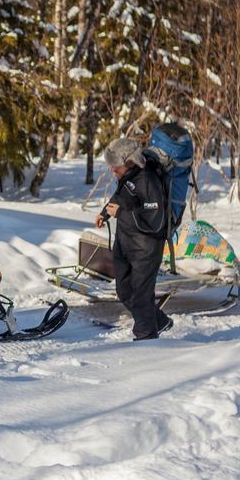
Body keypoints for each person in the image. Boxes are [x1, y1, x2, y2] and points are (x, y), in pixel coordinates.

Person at [94, 137, 174, 340]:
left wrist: (121, 213)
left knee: (140, 296)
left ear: (131, 161)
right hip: (125, 242)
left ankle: (146, 339)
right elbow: (120, 198)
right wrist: (105, 212)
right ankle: (160, 321)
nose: (113, 170)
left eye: (116, 166)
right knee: (124, 291)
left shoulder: (148, 180)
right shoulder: (128, 177)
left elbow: (154, 220)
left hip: (146, 248)